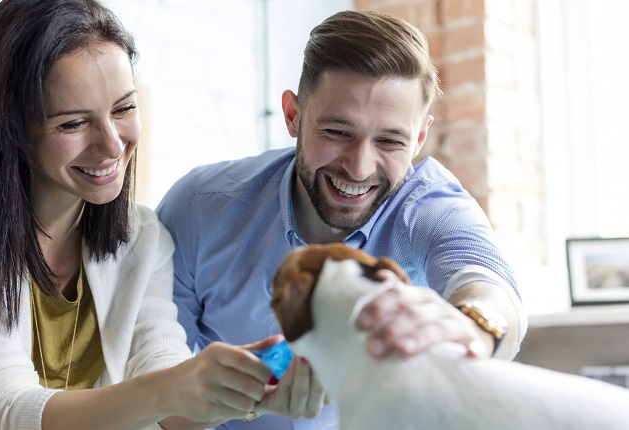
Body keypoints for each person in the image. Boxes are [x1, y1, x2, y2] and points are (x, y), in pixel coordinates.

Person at [0, 0, 325, 428]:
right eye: (72, 124)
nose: (112, 145)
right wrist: (171, 388)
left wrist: (244, 387)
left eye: (123, 109)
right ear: (10, 126)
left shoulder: (141, 238)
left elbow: (169, 405)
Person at [156, 9, 528, 430]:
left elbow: (489, 287)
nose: (358, 167)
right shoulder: (199, 209)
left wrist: (473, 329)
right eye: (337, 132)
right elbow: (151, 386)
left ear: (420, 138)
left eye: (390, 140)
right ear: (293, 115)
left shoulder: (431, 208)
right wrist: (239, 400)